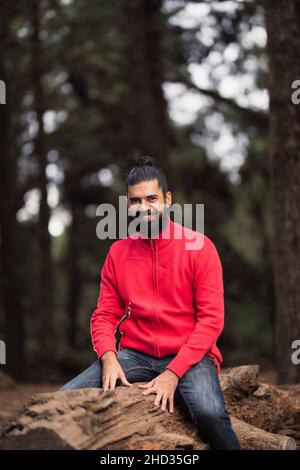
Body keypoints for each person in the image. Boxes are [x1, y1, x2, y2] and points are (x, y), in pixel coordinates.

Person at [59, 156, 241, 450]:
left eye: (151, 198)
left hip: (191, 356)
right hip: (136, 355)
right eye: (136, 201)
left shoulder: (200, 247)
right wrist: (108, 356)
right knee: (65, 398)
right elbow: (104, 314)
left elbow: (211, 321)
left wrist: (173, 373)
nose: (144, 208)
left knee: (209, 414)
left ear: (167, 199)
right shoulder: (119, 252)